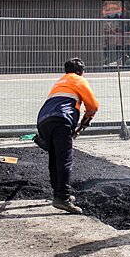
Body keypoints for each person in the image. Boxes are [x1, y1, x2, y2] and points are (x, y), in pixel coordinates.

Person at [36, 58, 99, 214]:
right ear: (81, 71)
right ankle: (62, 198)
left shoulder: (60, 82)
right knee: (65, 158)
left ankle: (58, 193)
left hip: (43, 120)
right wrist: (86, 120)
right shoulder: (78, 80)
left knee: (55, 157)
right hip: (61, 120)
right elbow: (93, 106)